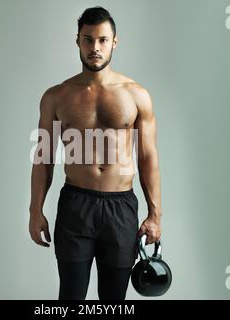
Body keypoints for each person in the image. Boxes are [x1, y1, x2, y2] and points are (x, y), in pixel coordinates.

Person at [29, 6, 162, 300]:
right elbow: (44, 156)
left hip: (121, 207)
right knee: (71, 298)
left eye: (102, 40)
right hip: (76, 204)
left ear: (114, 42)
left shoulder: (136, 95)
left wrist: (155, 214)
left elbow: (148, 157)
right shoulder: (56, 96)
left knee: (113, 301)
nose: (95, 48)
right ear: (77, 40)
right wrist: (34, 210)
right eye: (88, 39)